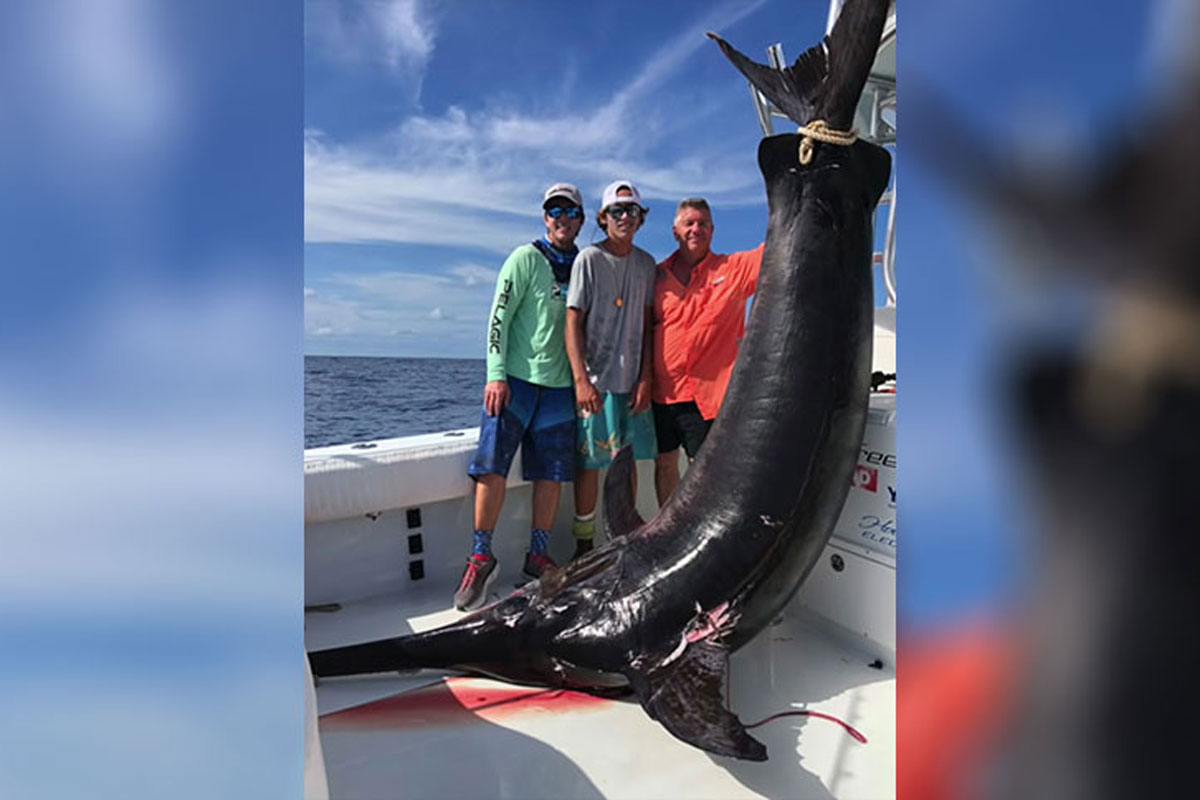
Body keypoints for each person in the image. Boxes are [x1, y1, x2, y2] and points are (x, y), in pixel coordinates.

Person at [454, 182, 585, 611]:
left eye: (569, 211)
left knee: (550, 475)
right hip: (514, 383)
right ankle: (480, 555)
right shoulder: (524, 258)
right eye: (554, 211)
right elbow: (499, 318)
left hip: (561, 388)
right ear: (545, 218)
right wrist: (495, 376)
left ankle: (537, 555)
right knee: (492, 469)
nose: (562, 218)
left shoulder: (585, 264)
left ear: (581, 219)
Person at [565, 180, 658, 557]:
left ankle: (626, 540)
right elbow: (572, 321)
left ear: (640, 218)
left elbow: (650, 325)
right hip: (596, 384)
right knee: (590, 463)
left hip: (632, 383)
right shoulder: (588, 259)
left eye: (631, 211)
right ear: (604, 219)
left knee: (628, 463)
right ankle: (584, 543)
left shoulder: (647, 265)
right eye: (617, 211)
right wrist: (581, 380)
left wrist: (646, 377)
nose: (625, 217)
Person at [651, 198, 764, 504]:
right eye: (689, 223)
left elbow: (780, 247)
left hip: (708, 399)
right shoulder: (656, 277)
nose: (695, 229)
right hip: (661, 395)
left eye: (702, 223)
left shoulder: (735, 269)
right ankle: (666, 529)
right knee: (664, 463)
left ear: (713, 230)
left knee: (706, 471)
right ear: (675, 231)